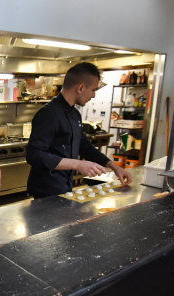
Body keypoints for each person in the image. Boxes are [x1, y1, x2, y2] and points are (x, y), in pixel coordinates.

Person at [26, 62, 132, 199]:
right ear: (81, 87)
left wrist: (114, 167)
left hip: (64, 187)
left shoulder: (75, 114)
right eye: (93, 90)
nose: (93, 95)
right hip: (45, 192)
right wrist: (77, 164)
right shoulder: (49, 114)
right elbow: (34, 155)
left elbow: (84, 145)